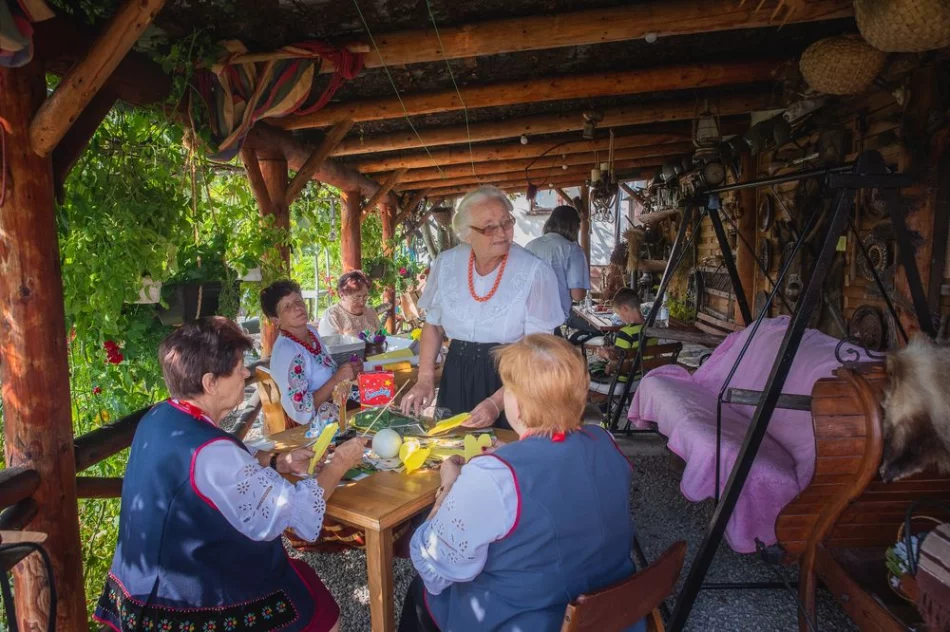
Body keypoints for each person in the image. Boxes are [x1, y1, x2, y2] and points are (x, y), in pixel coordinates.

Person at [94, 317, 367, 632]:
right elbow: (298, 514)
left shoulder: (160, 416)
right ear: (210, 383)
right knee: (318, 609)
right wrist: (340, 463)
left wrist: (278, 461)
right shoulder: (213, 454)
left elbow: (213, 465)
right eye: (238, 367)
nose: (246, 373)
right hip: (187, 605)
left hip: (136, 591)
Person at [398, 334, 642, 632]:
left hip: (533, 620)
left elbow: (435, 568)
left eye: (507, 389)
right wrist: (509, 460)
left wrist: (448, 488)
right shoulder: (605, 442)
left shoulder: (493, 477)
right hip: (609, 613)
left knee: (420, 591)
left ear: (521, 405)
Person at [400, 186, 563, 429]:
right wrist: (424, 378)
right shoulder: (446, 264)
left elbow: (536, 351)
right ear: (466, 234)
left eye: (507, 222)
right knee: (450, 454)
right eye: (489, 227)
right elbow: (433, 325)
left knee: (502, 457)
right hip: (456, 373)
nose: (503, 233)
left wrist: (498, 402)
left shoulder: (535, 272)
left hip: (511, 379)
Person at [262, 280, 361, 426]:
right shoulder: (288, 352)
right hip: (315, 427)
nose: (297, 308)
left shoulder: (311, 331)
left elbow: (324, 369)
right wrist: (337, 378)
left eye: (298, 301)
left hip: (337, 405)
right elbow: (302, 413)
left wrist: (348, 370)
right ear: (276, 320)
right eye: (287, 306)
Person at [525, 204, 590, 332]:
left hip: (527, 318)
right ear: (574, 226)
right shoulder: (573, 250)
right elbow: (577, 295)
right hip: (553, 320)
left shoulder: (530, 245)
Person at [594, 287, 655, 381]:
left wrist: (606, 355)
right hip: (642, 378)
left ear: (625, 308)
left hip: (625, 381)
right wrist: (614, 350)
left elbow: (617, 365)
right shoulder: (652, 328)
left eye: (619, 313)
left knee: (592, 369)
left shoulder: (626, 333)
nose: (620, 318)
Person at [317, 270, 381, 337]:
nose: (362, 302)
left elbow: (381, 337)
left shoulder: (370, 311)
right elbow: (329, 345)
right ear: (342, 295)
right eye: (357, 297)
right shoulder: (332, 315)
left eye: (365, 297)